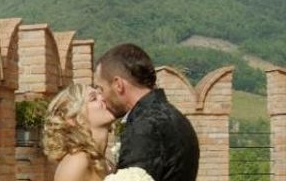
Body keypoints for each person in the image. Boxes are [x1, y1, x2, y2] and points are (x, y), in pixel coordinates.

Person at [94, 43, 200, 181]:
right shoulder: (175, 117)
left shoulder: (145, 126)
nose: (101, 97)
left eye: (101, 89)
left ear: (118, 85)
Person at [42, 83, 116, 181]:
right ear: (73, 119)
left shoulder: (106, 162)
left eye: (101, 94)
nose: (103, 98)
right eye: (94, 98)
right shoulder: (76, 162)